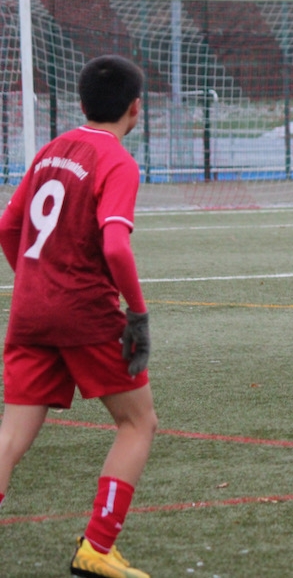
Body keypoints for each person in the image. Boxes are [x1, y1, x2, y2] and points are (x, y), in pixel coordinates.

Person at [0, 55, 158, 577]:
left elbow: (7, 227)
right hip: (85, 313)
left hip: (30, 311)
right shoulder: (117, 162)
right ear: (136, 108)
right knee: (137, 423)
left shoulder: (52, 150)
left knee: (11, 436)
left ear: (82, 103)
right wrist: (137, 314)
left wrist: (37, 283)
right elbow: (115, 247)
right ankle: (97, 547)